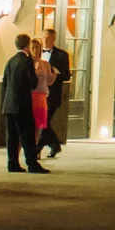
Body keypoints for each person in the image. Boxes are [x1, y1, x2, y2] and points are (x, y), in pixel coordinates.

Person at [0, 32, 47, 173]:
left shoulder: (10, 61)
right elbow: (33, 82)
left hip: (9, 105)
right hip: (22, 104)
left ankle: (12, 163)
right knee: (27, 135)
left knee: (12, 136)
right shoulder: (27, 61)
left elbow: (5, 82)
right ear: (27, 45)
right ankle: (32, 163)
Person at [39, 27, 74, 158]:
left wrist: (56, 73)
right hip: (39, 94)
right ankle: (54, 145)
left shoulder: (62, 55)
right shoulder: (37, 53)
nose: (45, 40)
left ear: (53, 39)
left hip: (53, 95)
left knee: (44, 121)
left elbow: (67, 75)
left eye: (48, 38)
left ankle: (37, 148)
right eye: (43, 37)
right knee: (42, 122)